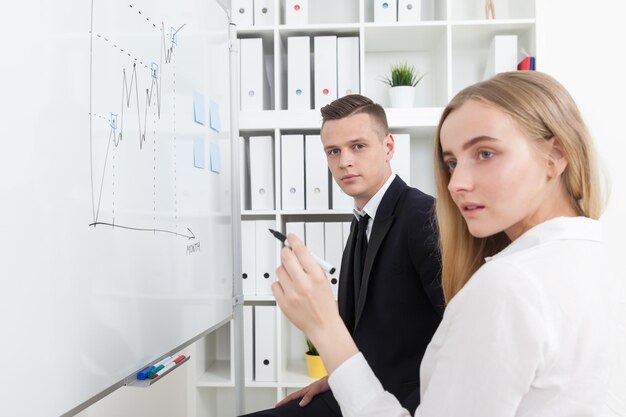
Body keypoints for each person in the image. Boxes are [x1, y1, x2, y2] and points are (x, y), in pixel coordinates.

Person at [272, 71, 617, 416]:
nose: (455, 184)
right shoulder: (591, 253)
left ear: (555, 156)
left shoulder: (506, 285)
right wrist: (342, 378)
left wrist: (324, 327)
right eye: (451, 163)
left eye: (485, 153)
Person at [241, 95, 444, 417]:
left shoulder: (423, 217)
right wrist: (337, 376)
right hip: (354, 387)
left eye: (358, 146)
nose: (344, 161)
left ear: (389, 147)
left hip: (402, 404)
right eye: (333, 151)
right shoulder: (363, 221)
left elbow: (459, 339)